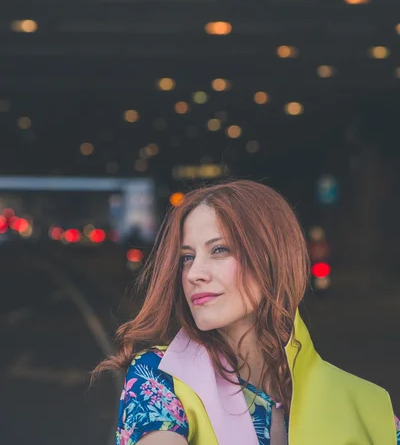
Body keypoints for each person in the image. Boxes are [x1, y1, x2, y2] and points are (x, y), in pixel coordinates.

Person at [93, 180, 400, 444]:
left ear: (271, 259)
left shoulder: (369, 406)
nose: (193, 273)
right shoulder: (158, 377)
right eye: (187, 257)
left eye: (219, 250)